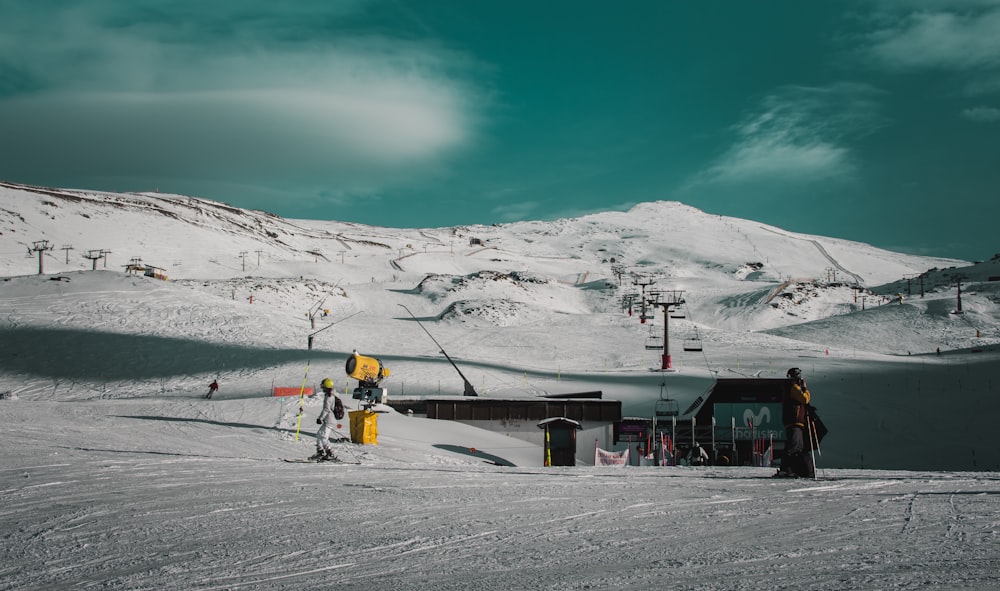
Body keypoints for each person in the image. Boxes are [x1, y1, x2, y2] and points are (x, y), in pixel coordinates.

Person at [777, 367, 815, 478]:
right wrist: (805, 389)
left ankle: (792, 469)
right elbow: (804, 399)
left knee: (796, 447)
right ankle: (786, 469)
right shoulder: (793, 387)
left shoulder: (790, 387)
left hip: (794, 422)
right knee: (793, 447)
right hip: (794, 421)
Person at [312, 378, 345, 461]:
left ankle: (330, 453)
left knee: (323, 437)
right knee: (319, 435)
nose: (322, 387)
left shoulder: (329, 396)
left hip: (330, 420)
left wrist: (320, 418)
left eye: (323, 385)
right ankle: (320, 452)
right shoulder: (332, 395)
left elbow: (326, 409)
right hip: (329, 420)